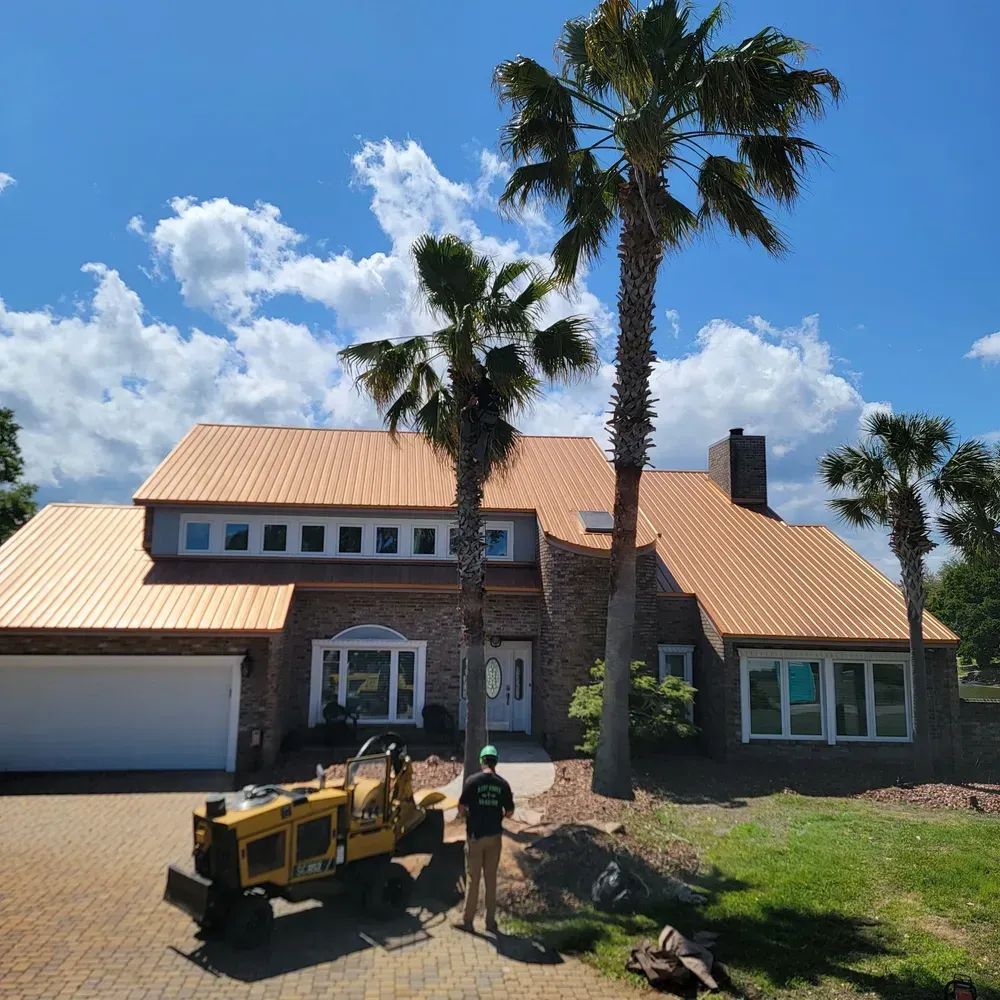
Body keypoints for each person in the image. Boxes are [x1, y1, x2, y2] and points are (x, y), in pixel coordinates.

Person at [456, 744, 514, 933]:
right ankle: (490, 922)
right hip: (494, 837)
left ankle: (468, 921)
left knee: (473, 879)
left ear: (482, 761)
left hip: (475, 837)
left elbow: (461, 806)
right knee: (491, 879)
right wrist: (498, 817)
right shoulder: (503, 784)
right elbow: (510, 811)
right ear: (496, 762)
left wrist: (468, 817)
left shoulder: (472, 782)